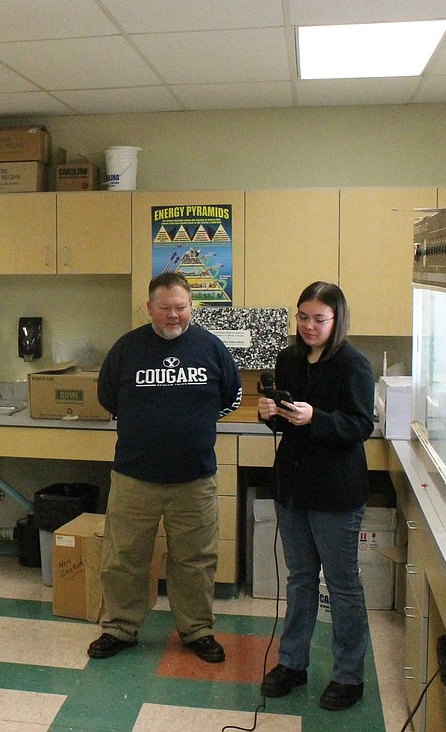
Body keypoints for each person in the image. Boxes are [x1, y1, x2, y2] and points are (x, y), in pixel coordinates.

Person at [88, 272, 242, 662]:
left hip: (195, 478)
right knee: (124, 557)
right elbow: (108, 397)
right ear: (149, 308)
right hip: (134, 476)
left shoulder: (211, 347)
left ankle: (197, 630)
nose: (173, 315)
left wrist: (191, 424)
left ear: (192, 307)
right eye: (165, 308)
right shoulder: (127, 349)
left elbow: (231, 397)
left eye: (181, 307)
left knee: (195, 558)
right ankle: (119, 628)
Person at [256, 281, 375, 711]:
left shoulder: (353, 364)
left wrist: (316, 418)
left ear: (336, 319)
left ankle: (348, 675)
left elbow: (362, 425)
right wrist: (271, 414)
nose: (308, 326)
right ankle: (292, 662)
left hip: (336, 492)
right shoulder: (289, 358)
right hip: (293, 486)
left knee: (343, 585)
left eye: (319, 319)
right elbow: (285, 424)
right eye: (302, 317)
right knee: (300, 578)